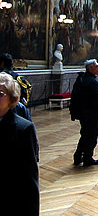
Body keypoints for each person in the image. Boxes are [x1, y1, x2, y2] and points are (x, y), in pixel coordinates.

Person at [0, 72, 39, 216]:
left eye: (0, 94)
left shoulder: (23, 128)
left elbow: (29, 178)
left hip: (11, 200)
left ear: (11, 98)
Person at [71, 59, 98, 166]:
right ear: (90, 68)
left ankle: (77, 156)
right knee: (91, 136)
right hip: (91, 114)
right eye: (97, 66)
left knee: (85, 135)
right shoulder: (92, 82)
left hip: (82, 113)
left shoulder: (81, 79)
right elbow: (96, 101)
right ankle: (87, 158)